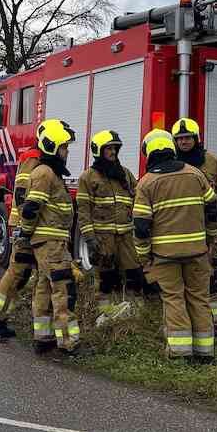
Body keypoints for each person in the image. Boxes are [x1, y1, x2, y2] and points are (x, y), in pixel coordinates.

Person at [132, 129, 217, 364]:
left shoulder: (146, 183)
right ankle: (205, 352)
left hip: (164, 255)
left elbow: (141, 226)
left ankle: (180, 353)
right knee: (199, 298)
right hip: (198, 251)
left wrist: (143, 256)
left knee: (174, 299)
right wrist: (210, 240)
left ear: (149, 154)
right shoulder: (195, 174)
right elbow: (214, 210)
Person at [21, 119, 81, 356]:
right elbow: (31, 208)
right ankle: (69, 342)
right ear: (52, 147)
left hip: (49, 243)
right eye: (64, 147)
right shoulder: (45, 173)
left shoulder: (47, 172)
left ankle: (43, 337)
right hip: (52, 244)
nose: (66, 152)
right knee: (63, 290)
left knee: (44, 288)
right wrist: (25, 232)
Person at [172, 118, 217, 334]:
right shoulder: (173, 163)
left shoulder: (214, 162)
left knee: (212, 277)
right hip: (183, 231)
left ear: (197, 139)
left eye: (187, 138)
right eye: (179, 139)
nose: (184, 142)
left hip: (210, 232)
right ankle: (192, 320)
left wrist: (212, 217)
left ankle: (216, 323)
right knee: (187, 278)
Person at [76, 129, 141, 325]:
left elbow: (138, 199)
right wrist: (90, 239)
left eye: (115, 148)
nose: (113, 152)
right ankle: (105, 317)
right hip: (103, 238)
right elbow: (84, 211)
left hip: (126, 236)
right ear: (99, 151)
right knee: (106, 280)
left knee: (134, 276)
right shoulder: (88, 178)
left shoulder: (125, 175)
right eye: (109, 149)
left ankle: (136, 314)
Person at [0, 145, 45, 339]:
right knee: (17, 272)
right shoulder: (33, 158)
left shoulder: (37, 158)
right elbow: (21, 194)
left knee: (22, 274)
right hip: (24, 227)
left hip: (30, 227)